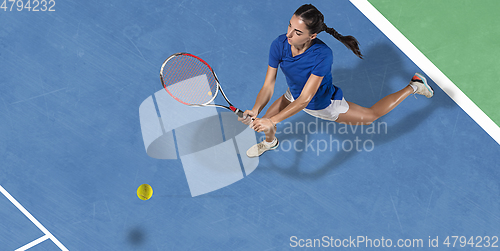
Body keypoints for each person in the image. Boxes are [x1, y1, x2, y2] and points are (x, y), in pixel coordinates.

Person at [239, 4, 433, 158]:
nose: (289, 34)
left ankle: (414, 85)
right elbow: (268, 85)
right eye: (290, 25)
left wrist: (271, 119)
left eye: (298, 32)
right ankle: (270, 142)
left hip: (321, 104)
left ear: (312, 36)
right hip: (294, 92)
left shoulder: (322, 55)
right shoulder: (279, 44)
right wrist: (256, 109)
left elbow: (306, 99)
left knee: (371, 116)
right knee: (265, 122)